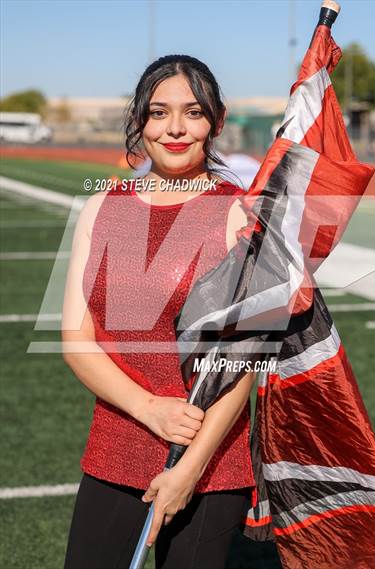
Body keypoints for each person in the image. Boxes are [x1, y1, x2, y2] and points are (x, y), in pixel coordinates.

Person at [62, 54, 258, 569]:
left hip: (209, 459)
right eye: (158, 113)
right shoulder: (104, 206)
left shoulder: (237, 213)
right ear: (138, 122)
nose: (175, 129)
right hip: (116, 443)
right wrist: (150, 408)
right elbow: (76, 338)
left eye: (193, 113)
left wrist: (188, 471)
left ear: (217, 120)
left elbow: (242, 365)